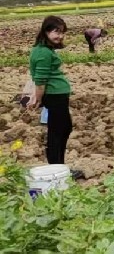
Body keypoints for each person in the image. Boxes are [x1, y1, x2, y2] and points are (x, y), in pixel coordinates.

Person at [28, 16, 83, 179]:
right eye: (56, 31)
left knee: (62, 129)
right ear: (45, 31)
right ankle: (57, 170)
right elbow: (40, 81)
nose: (60, 36)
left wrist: (36, 96)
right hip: (54, 96)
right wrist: (37, 98)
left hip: (56, 95)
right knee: (57, 132)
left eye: (62, 32)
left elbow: (40, 78)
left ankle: (60, 168)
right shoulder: (43, 52)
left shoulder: (44, 50)